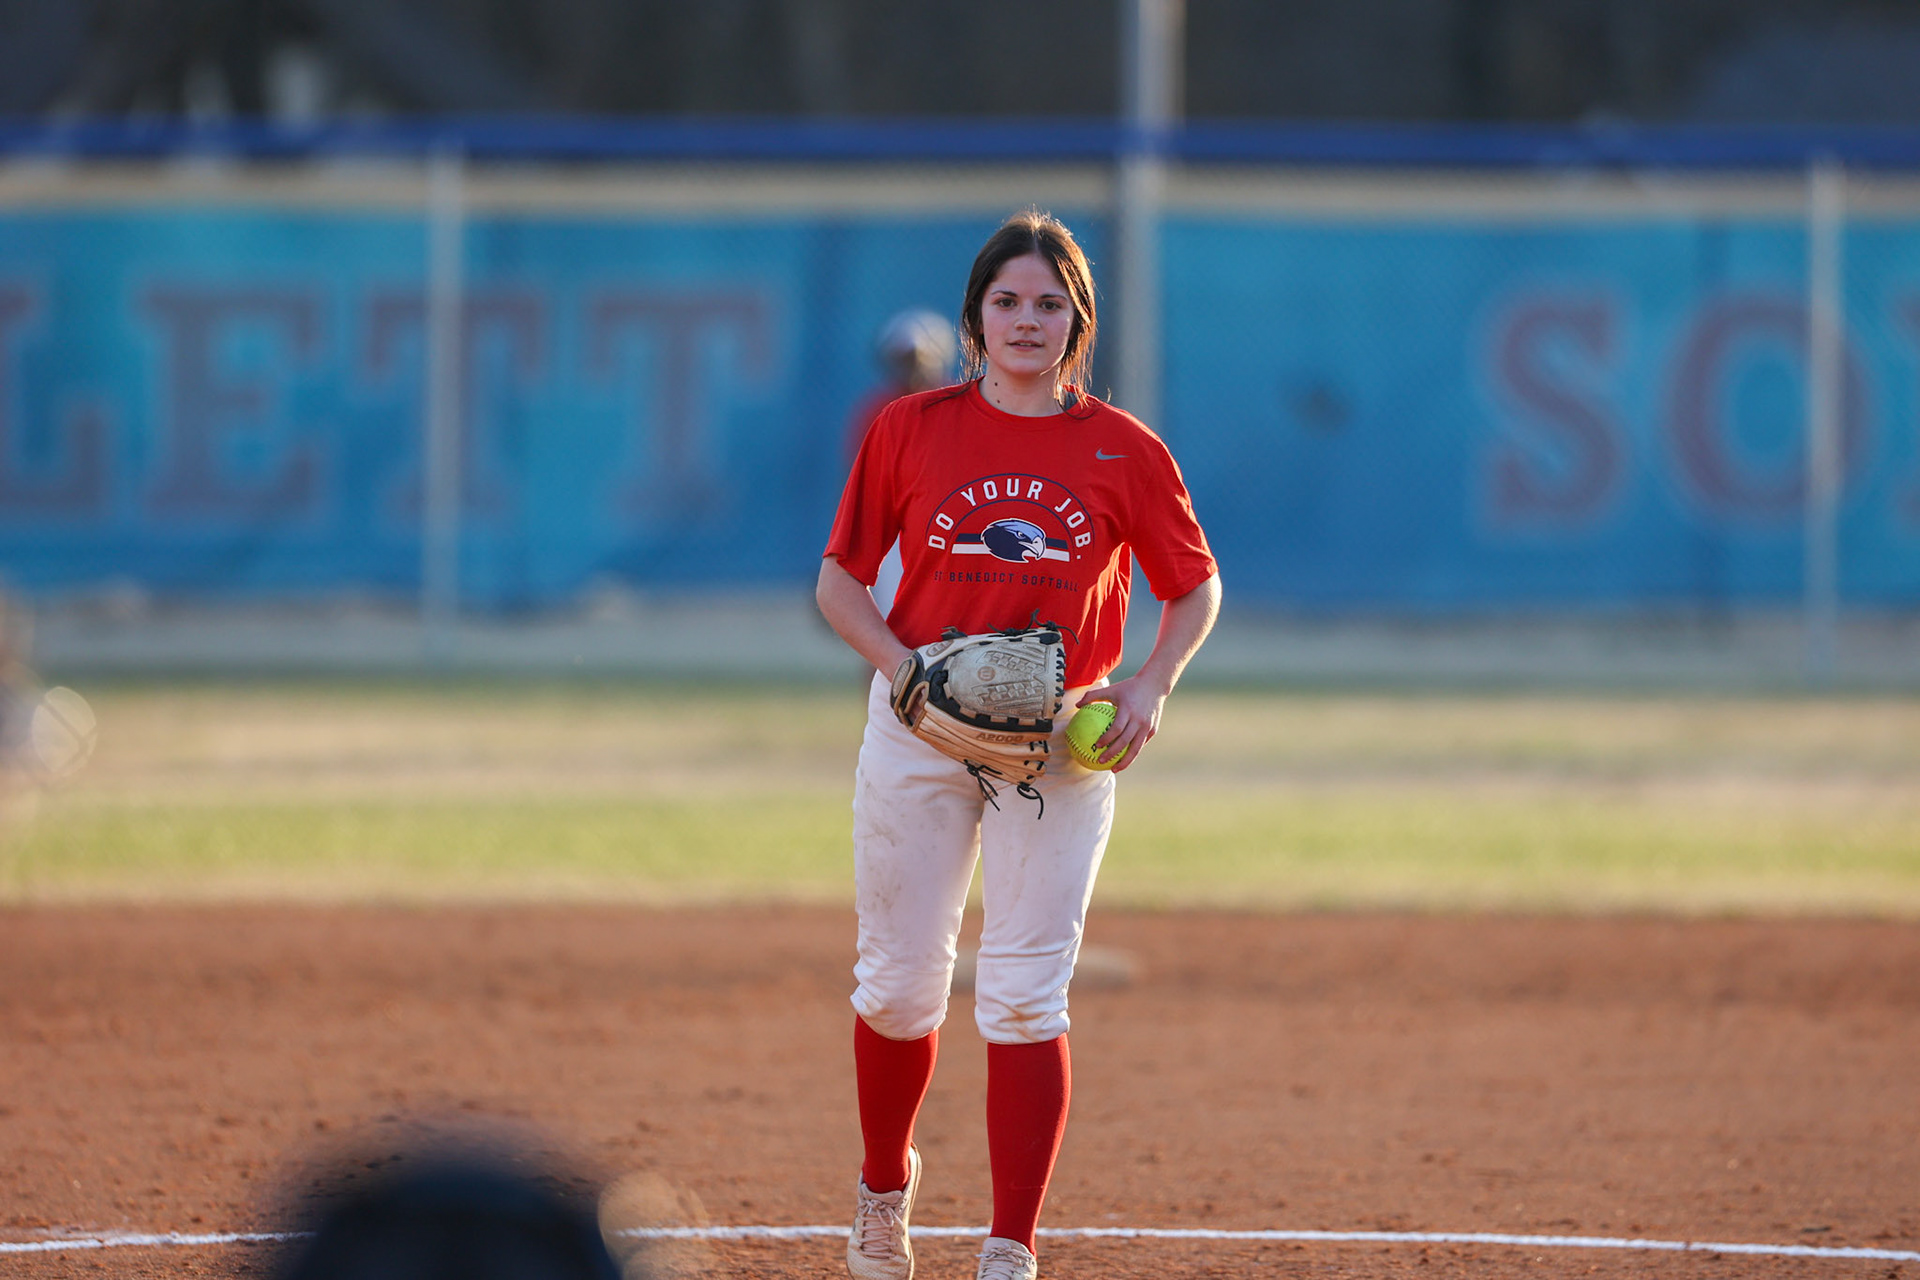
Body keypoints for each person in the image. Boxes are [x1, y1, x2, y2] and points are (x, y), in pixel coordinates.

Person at [816, 209, 1222, 1280]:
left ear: (1079, 323)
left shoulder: (1122, 448)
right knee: (900, 985)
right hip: (919, 724)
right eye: (1008, 301)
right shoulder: (911, 427)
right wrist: (902, 667)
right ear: (975, 317)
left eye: (1051, 303)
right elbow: (840, 582)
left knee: (1026, 992)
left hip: (1058, 743)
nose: (1027, 320)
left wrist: (1148, 685)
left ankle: (1009, 1246)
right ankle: (881, 1195)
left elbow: (1195, 585)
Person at [845, 309, 958, 617]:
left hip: (953, 527)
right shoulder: (879, 410)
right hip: (895, 532)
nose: (913, 369)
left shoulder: (960, 406)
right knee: (885, 624)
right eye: (905, 359)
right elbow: (861, 486)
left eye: (920, 358)